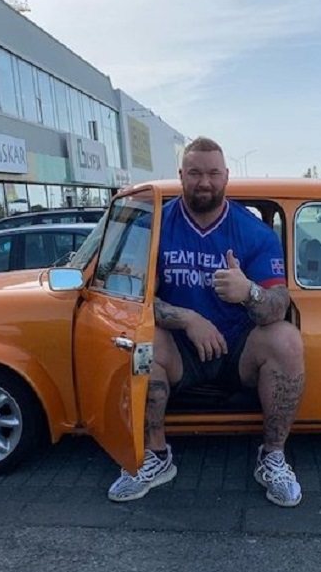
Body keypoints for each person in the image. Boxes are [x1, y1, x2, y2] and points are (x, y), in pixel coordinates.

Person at [108, 137, 305, 507]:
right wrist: (187, 318)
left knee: (286, 339)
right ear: (181, 175)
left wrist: (249, 292)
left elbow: (278, 306)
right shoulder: (155, 226)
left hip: (240, 348)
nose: (204, 182)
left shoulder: (254, 233)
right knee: (140, 342)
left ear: (226, 176)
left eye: (213, 173)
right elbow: (126, 297)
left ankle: (273, 456)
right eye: (195, 173)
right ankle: (154, 456)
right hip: (180, 348)